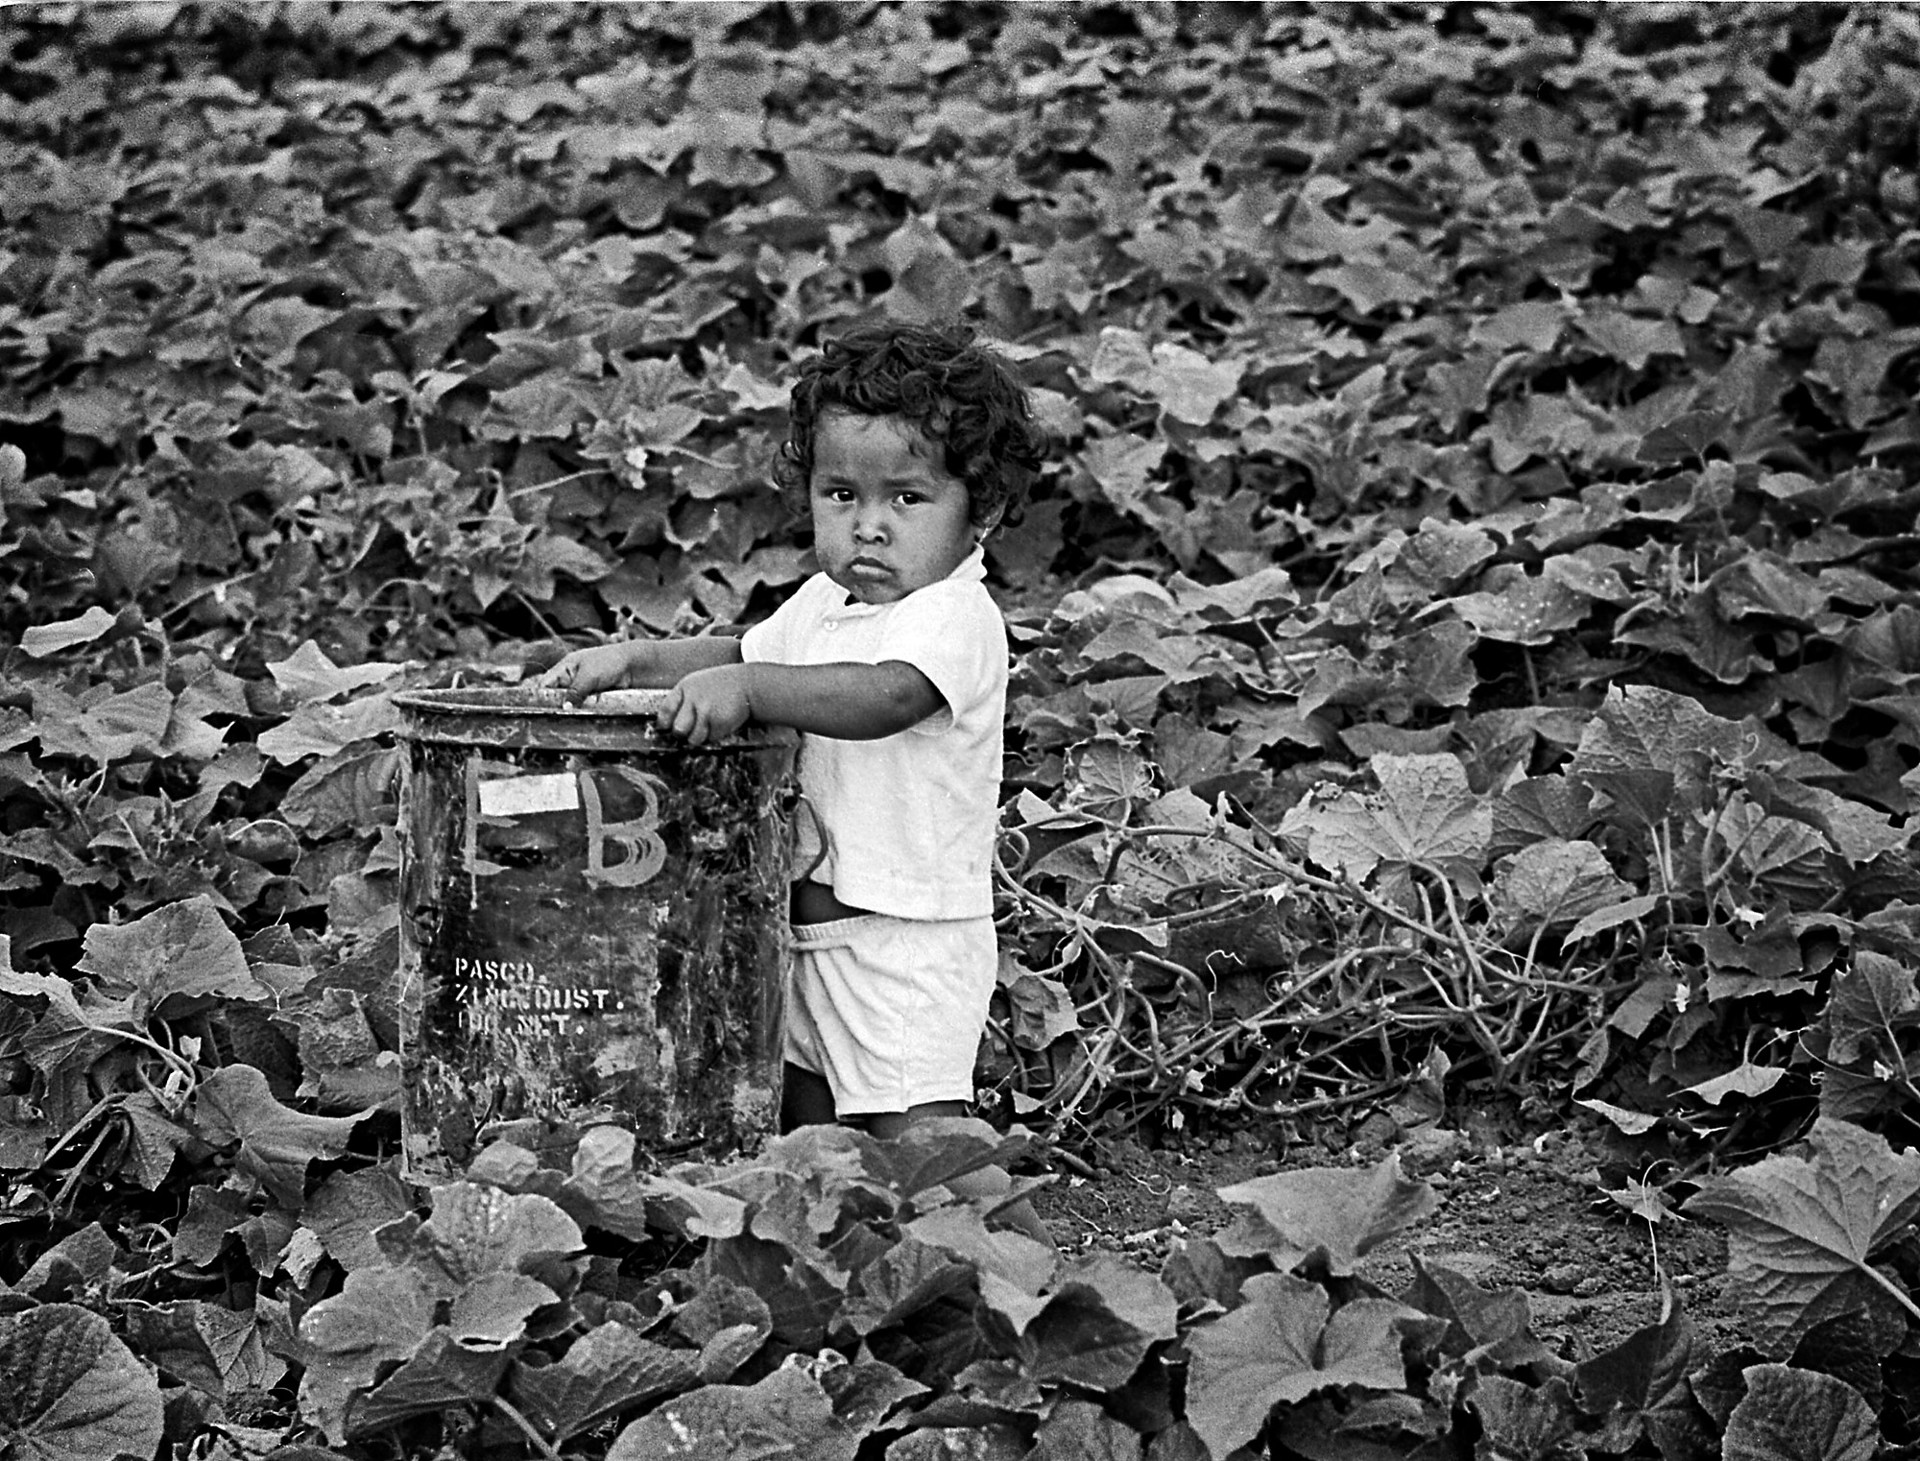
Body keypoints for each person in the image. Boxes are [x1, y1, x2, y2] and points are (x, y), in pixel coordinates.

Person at [540, 320, 1050, 1241]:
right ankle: (836, 1263)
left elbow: (881, 696)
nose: (870, 525)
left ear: (981, 512)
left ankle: (1013, 1256)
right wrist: (637, 660)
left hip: (908, 943)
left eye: (908, 497)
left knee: (916, 1138)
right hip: (808, 931)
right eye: (841, 493)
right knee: (806, 1130)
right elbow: (743, 649)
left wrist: (749, 689)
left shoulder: (952, 618)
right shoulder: (827, 603)